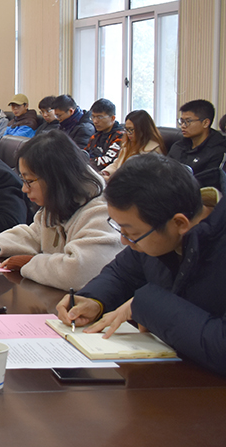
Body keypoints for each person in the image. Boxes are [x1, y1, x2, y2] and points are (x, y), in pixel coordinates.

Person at [57, 154, 226, 376]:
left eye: (132, 233)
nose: (124, 241)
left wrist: (144, 305)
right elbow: (122, 273)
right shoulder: (156, 231)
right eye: (120, 229)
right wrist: (94, 299)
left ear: (179, 223)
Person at [0, 131, 122, 290]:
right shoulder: (58, 202)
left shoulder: (102, 212)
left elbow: (80, 272)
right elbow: (36, 234)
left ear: (56, 178)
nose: (24, 189)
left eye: (29, 181)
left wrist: (30, 263)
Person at [167, 99, 226, 188]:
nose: (183, 126)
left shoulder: (218, 150)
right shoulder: (178, 146)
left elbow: (208, 185)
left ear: (205, 123)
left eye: (188, 121)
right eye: (181, 121)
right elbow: (164, 171)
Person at [101, 109, 165, 177]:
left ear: (143, 129)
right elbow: (118, 163)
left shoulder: (153, 151)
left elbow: (140, 176)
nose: (128, 133)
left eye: (131, 129)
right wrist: (106, 172)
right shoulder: (127, 144)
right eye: (127, 129)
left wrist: (111, 179)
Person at [85, 98, 124, 171]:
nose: (95, 121)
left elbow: (108, 160)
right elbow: (84, 155)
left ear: (112, 118)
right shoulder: (95, 136)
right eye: (93, 117)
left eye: (100, 117)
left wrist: (84, 163)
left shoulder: (121, 136)